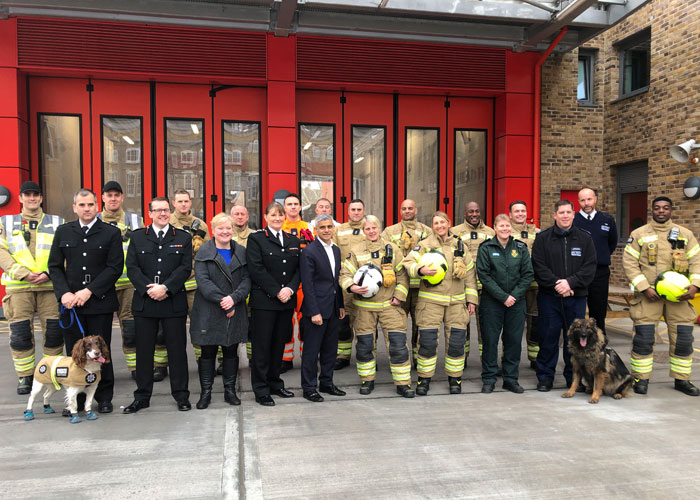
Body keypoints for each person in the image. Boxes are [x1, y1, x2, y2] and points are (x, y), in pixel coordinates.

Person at [48, 188, 123, 414]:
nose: (87, 209)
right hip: (71, 304)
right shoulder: (64, 232)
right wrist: (64, 294)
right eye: (82, 205)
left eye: (90, 205)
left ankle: (104, 397)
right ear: (75, 208)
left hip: (99, 301)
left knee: (101, 352)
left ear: (96, 206)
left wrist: (89, 291)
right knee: (75, 352)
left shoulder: (110, 233)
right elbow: (54, 267)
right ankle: (76, 401)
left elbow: (114, 267)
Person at [622, 196, 700, 396]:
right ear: (652, 210)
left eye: (665, 208)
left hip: (680, 298)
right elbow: (630, 263)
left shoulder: (686, 234)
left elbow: (696, 261)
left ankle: (682, 380)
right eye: (657, 208)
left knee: (683, 338)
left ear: (671, 210)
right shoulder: (639, 234)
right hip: (650, 296)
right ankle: (641, 379)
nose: (661, 211)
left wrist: (695, 286)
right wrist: (644, 287)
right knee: (644, 338)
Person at [123, 197, 192, 413]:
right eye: (158, 210)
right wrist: (149, 289)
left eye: (165, 210)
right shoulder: (137, 237)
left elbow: (184, 268)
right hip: (145, 302)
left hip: (173, 302)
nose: (162, 213)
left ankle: (181, 395)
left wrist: (166, 288)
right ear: (150, 213)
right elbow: (132, 268)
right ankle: (142, 396)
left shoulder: (183, 237)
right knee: (144, 352)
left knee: (177, 352)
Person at [402, 211, 478, 395]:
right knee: (427, 342)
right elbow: (407, 263)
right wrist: (420, 269)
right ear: (432, 226)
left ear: (449, 223)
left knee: (456, 342)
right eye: (436, 223)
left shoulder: (460, 246)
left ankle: (455, 379)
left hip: (457, 303)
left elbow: (470, 276)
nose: (440, 226)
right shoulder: (424, 245)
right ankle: (424, 379)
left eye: (442, 222)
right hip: (430, 303)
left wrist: (472, 300)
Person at [0, 181, 64, 394]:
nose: (32, 198)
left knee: (54, 333)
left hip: (49, 286)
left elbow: (64, 253)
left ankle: (49, 373)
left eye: (35, 194)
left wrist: (48, 273)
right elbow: (2, 252)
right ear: (20, 198)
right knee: (20, 335)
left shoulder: (57, 222)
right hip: (19, 287)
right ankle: (25, 377)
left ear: (41, 198)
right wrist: (23, 274)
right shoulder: (5, 222)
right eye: (27, 194)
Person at [340, 215, 414, 397]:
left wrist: (399, 297)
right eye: (367, 229)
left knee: (397, 345)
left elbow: (403, 276)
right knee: (365, 346)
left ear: (379, 228)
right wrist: (352, 286)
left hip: (390, 306)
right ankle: (367, 381)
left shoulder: (393, 249)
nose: (371, 231)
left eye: (374, 228)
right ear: (363, 231)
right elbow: (344, 274)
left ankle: (403, 384)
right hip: (364, 308)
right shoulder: (356, 250)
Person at [531, 199, 596, 392]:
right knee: (548, 338)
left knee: (576, 341)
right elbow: (538, 266)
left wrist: (571, 283)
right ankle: (545, 377)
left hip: (575, 298)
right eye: (561, 212)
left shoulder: (585, 239)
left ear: (573, 214)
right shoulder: (543, 239)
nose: (565, 216)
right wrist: (557, 285)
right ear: (554, 215)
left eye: (568, 212)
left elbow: (590, 267)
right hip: (549, 298)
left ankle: (573, 379)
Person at [190, 213, 251, 408]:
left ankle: (229, 391)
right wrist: (223, 300)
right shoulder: (203, 252)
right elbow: (203, 281)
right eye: (220, 228)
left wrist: (233, 298)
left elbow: (247, 279)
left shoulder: (241, 251)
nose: (225, 231)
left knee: (231, 351)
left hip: (235, 306)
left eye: (228, 228)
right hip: (209, 309)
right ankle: (206, 393)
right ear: (213, 230)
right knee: (207, 352)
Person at [246, 201, 301, 406]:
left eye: (280, 215)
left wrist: (290, 289)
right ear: (266, 217)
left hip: (286, 301)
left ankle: (275, 383)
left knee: (279, 345)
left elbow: (298, 269)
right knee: (262, 347)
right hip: (265, 301)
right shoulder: (257, 239)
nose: (277, 218)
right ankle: (261, 389)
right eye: (273, 215)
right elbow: (256, 269)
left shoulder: (293, 239)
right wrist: (277, 290)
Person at [97, 180, 152, 380]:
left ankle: (135, 368)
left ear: (122, 198)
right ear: (102, 198)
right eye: (108, 195)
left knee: (130, 330)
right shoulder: (93, 220)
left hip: (129, 284)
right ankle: (99, 370)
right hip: (101, 285)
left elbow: (146, 250)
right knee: (99, 332)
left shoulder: (136, 221)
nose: (112, 198)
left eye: (116, 195)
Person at [477, 214, 534, 394]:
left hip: (516, 303)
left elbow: (528, 274)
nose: (505, 229)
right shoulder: (486, 248)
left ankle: (510, 379)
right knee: (490, 342)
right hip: (491, 302)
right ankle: (489, 379)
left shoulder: (520, 247)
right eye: (501, 226)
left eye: (507, 226)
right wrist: (503, 297)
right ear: (494, 228)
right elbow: (484, 276)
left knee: (513, 342)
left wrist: (514, 296)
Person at [299, 214, 346, 402]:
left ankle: (327, 382)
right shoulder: (309, 252)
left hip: (333, 308)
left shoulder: (336, 250)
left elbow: (337, 280)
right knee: (311, 351)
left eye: (329, 227)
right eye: (322, 227)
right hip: (317, 309)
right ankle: (309, 387)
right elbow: (307, 284)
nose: (326, 230)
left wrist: (340, 304)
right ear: (316, 230)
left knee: (330, 349)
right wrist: (314, 311)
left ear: (333, 228)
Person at [381, 199, 432, 367]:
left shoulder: (427, 231)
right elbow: (385, 257)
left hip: (421, 287)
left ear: (416, 210)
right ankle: (400, 359)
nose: (407, 211)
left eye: (410, 208)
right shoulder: (389, 231)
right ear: (400, 211)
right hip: (398, 288)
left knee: (420, 324)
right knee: (397, 326)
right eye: (404, 208)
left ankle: (418, 359)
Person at [169, 189, 211, 371]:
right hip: (172, 286)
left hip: (195, 285)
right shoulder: (167, 223)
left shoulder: (200, 225)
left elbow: (210, 253)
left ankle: (203, 362)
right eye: (180, 201)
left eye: (186, 201)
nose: (183, 204)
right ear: (173, 203)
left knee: (200, 327)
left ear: (190, 202)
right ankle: (162, 365)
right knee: (170, 330)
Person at [450, 201, 494, 364]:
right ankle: (463, 359)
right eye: (471, 212)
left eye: (476, 211)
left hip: (485, 287)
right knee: (462, 325)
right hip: (462, 287)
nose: (474, 214)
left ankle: (486, 359)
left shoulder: (490, 232)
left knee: (485, 326)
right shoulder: (454, 232)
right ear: (465, 214)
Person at [574, 187, 618, 336]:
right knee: (576, 311)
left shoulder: (607, 220)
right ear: (578, 201)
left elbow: (612, 243)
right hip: (577, 272)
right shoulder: (573, 220)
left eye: (589, 199)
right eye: (583, 200)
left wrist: (599, 257)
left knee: (598, 312)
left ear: (595, 199)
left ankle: (599, 344)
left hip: (599, 273)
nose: (586, 203)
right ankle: (575, 343)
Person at [332, 199, 367, 369]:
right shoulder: (339, 230)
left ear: (363, 210)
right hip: (345, 283)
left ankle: (365, 355)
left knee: (364, 322)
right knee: (343, 324)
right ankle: (343, 356)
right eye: (353, 209)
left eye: (359, 209)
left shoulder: (369, 228)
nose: (356, 212)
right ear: (348, 211)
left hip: (366, 283)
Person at [280, 193, 313, 373]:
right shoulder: (278, 226)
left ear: (300, 207)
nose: (293, 207)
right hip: (285, 282)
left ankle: (307, 357)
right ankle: (286, 359)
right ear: (284, 208)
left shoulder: (309, 227)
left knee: (305, 323)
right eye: (289, 204)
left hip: (305, 283)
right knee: (286, 323)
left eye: (296, 204)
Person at [509, 200, 540, 369]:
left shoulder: (537, 232)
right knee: (514, 324)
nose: (520, 214)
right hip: (515, 286)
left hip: (535, 285)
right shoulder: (506, 231)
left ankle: (534, 359)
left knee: (534, 322)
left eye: (523, 211)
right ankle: (511, 360)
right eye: (516, 211)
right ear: (510, 215)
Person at [230, 204, 254, 361]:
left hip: (250, 287)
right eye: (236, 214)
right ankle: (225, 361)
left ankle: (253, 357)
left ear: (247, 217)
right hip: (230, 288)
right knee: (229, 324)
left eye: (242, 214)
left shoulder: (254, 236)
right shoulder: (224, 233)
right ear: (231, 216)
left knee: (253, 324)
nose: (239, 216)